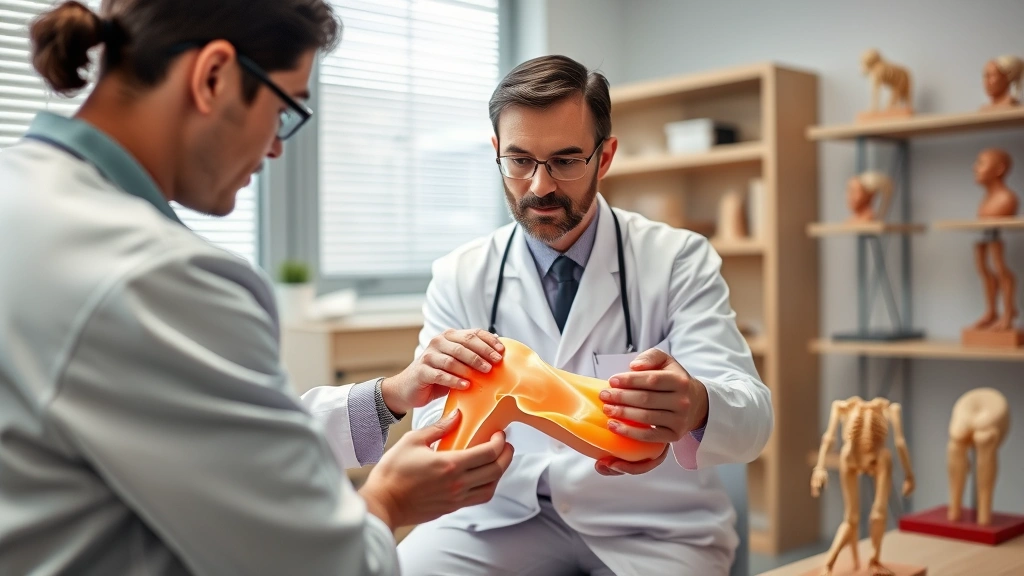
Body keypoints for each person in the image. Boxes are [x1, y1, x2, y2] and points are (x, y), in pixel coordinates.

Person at [0, 2, 512, 575]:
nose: (275, 148)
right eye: (284, 109)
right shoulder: (158, 274)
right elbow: (320, 565)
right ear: (214, 76)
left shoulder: (21, 190)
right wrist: (389, 499)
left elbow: (204, 436)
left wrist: (388, 396)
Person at [398, 55, 774, 574]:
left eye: (566, 160)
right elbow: (432, 429)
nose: (539, 187)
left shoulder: (677, 260)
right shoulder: (460, 275)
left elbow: (754, 419)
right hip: (497, 519)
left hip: (653, 528)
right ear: (497, 153)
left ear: (606, 155)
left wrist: (697, 405)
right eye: (520, 160)